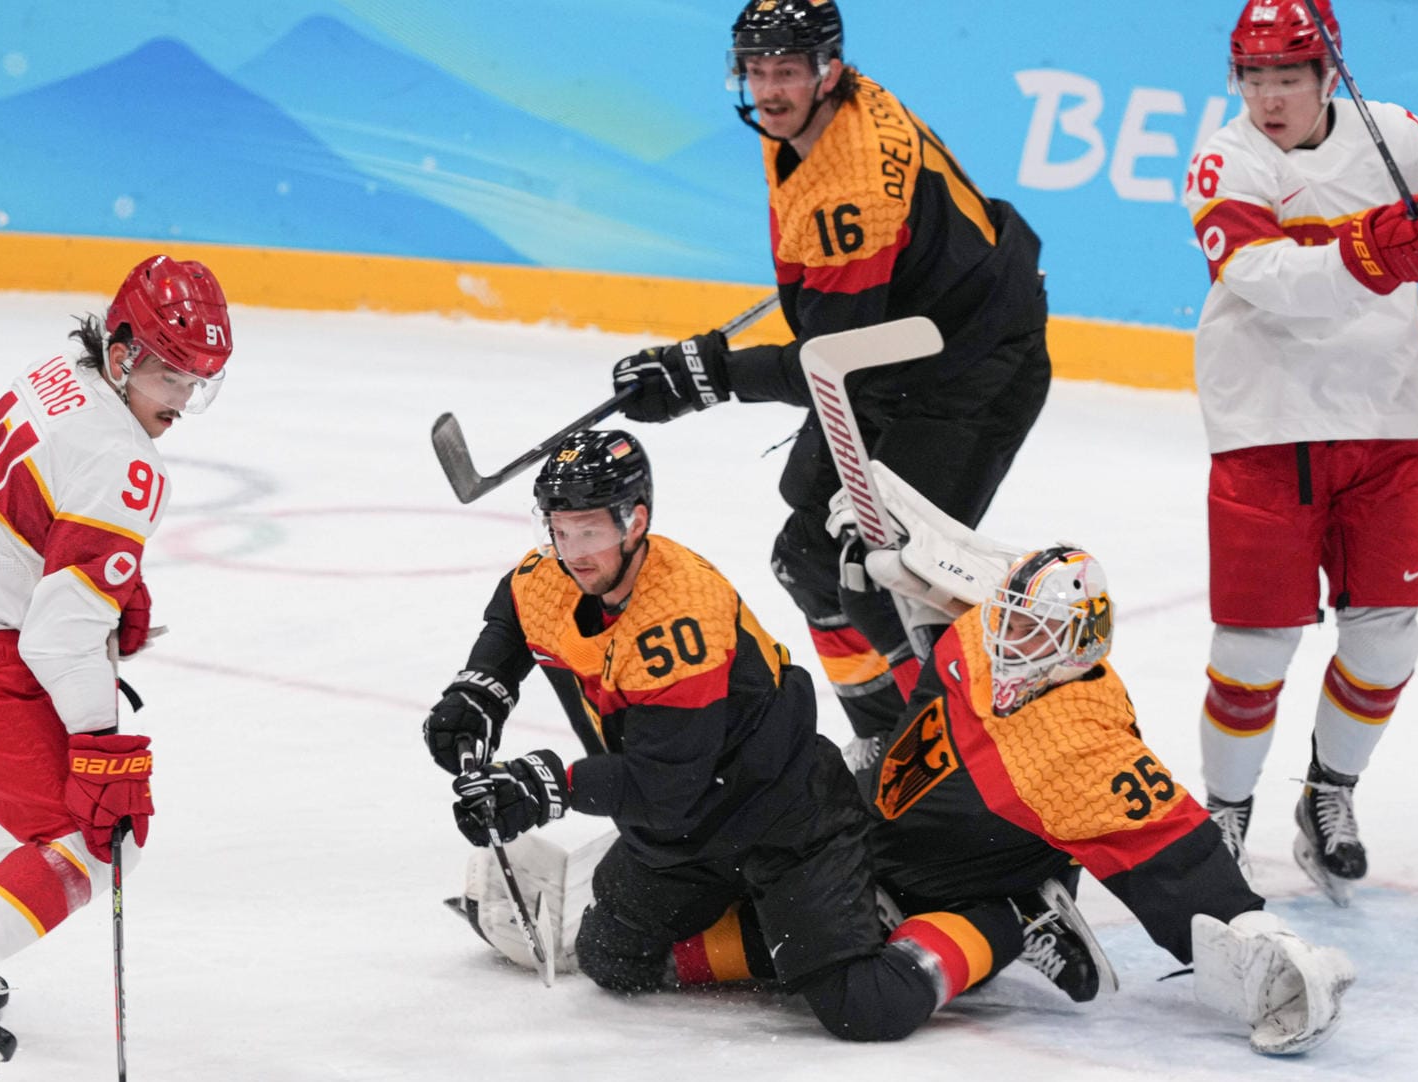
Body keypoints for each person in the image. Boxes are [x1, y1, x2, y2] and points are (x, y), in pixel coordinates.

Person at [421, 429, 1032, 1041]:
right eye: (559, 529)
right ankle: (795, 926)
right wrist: (480, 688)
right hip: (681, 840)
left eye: (591, 532)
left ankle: (1000, 920)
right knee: (611, 960)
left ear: (635, 522)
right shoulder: (553, 576)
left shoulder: (680, 615)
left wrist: (543, 785)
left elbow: (666, 787)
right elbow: (515, 609)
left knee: (863, 1005)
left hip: (783, 823)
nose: (574, 551)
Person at [608, 0, 1052, 748]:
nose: (770, 89)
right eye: (757, 70)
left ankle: (965, 764)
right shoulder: (807, 122)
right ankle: (894, 746)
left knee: (891, 578)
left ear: (830, 71)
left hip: (972, 373)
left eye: (786, 71)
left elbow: (829, 360)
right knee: (808, 560)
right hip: (908, 351)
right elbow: (841, 328)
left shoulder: (853, 187)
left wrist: (702, 376)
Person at [1182, 0, 1418, 903]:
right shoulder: (1225, 158)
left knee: (1386, 643)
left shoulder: (1403, 140)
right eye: (1254, 77)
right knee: (1254, 648)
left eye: (1287, 78)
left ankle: (1327, 796)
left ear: (1329, 73)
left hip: (1381, 424)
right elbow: (1267, 280)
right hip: (1264, 427)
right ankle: (1226, 808)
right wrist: (1376, 247)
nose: (1268, 98)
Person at [822, 463, 1355, 1055]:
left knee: (866, 957)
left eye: (1031, 632)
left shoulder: (1080, 752)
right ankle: (1025, 909)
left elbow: (1181, 861)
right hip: (903, 822)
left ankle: (1016, 911)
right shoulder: (984, 626)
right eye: (1010, 620)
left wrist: (1269, 957)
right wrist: (876, 528)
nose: (1007, 641)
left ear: (1078, 643)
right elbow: (954, 570)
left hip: (964, 876)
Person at [0, 255, 233, 1078]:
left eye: (198, 381)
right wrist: (100, 747)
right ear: (127, 351)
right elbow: (60, 639)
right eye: (169, 373)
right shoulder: (127, 461)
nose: (181, 401)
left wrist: (99, 574)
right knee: (99, 836)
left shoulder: (63, 374)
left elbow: (32, 507)